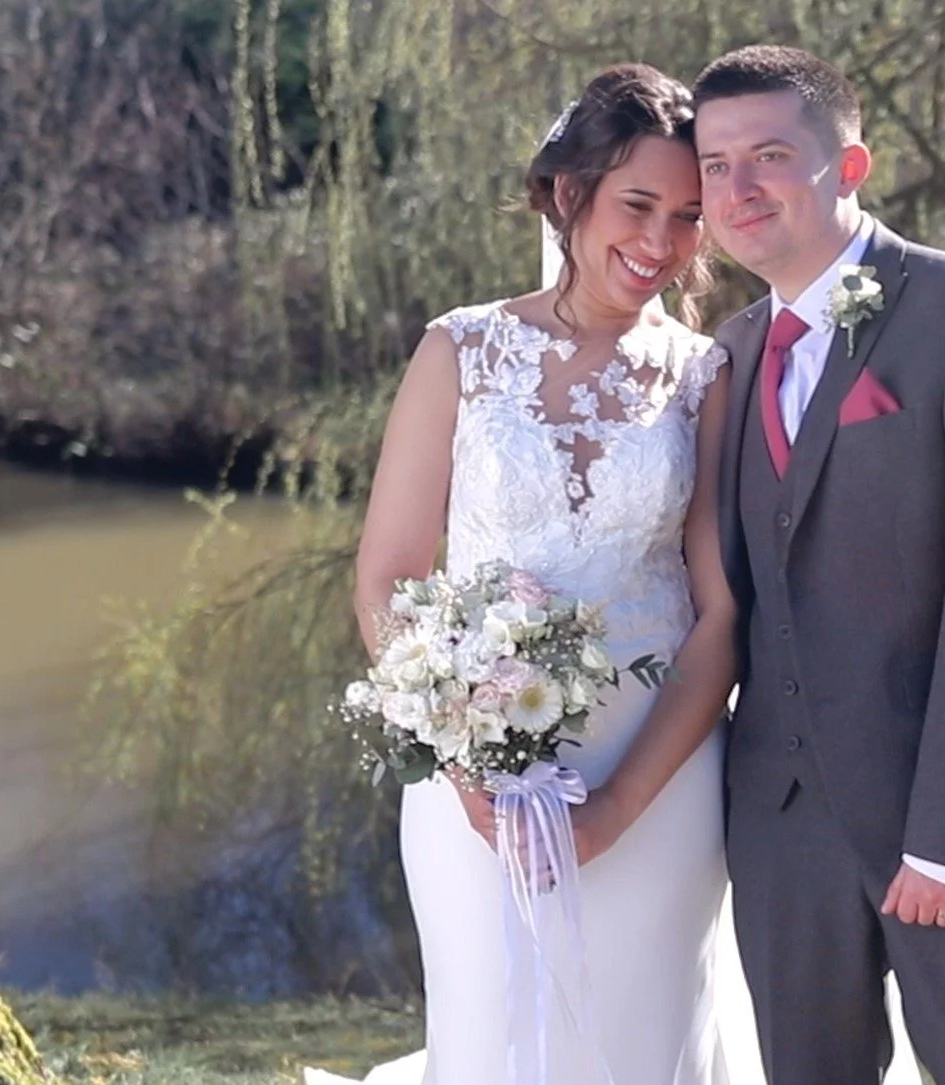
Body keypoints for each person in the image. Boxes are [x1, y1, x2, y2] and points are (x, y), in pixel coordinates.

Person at [317, 63, 745, 1085]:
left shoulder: (705, 377)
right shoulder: (460, 351)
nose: (659, 242)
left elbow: (723, 612)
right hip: (479, 789)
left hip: (664, 773)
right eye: (638, 204)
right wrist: (468, 762)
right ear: (568, 194)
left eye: (688, 216)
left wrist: (615, 807)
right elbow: (387, 575)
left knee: (646, 1038)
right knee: (496, 1035)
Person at [695, 45, 945, 1084]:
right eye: (715, 164)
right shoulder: (727, 358)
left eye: (772, 154)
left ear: (850, 165)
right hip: (783, 835)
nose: (740, 188)